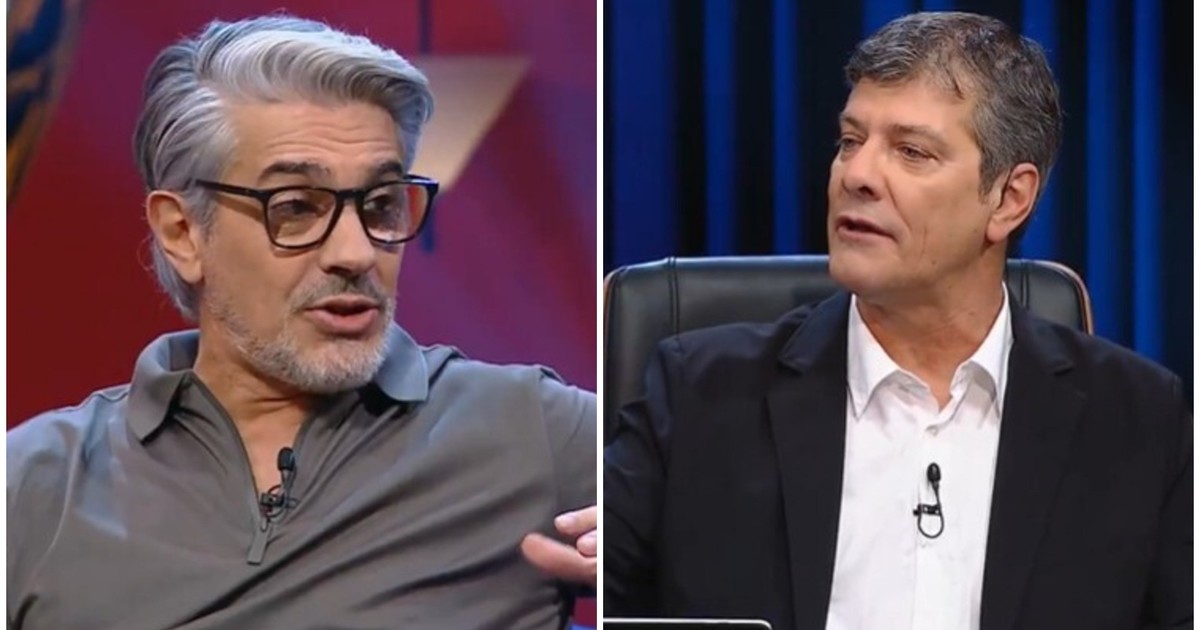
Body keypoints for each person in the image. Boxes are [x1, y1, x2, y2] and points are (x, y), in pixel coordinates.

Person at [604, 11, 1190, 630]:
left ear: (1009, 198)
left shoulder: (1140, 422)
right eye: (850, 141)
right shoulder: (698, 397)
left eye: (911, 152)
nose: (856, 175)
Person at [7, 15, 596, 629]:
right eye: (295, 208)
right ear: (182, 233)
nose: (356, 253)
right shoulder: (34, 486)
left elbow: (673, 534)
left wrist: (658, 569)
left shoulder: (532, 429)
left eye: (381, 205)